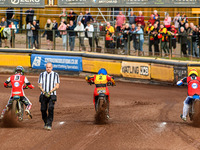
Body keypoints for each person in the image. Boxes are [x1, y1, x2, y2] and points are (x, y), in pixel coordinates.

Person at [38, 62, 60, 131]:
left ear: (52, 67)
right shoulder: (42, 74)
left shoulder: (55, 75)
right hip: (43, 94)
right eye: (47, 67)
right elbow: (39, 84)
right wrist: (44, 92)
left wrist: (50, 92)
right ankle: (46, 122)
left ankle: (49, 124)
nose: (48, 68)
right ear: (45, 68)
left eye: (49, 67)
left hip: (52, 95)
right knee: (43, 109)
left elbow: (57, 86)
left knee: (51, 108)